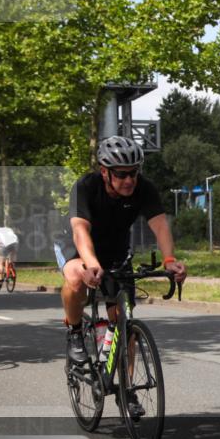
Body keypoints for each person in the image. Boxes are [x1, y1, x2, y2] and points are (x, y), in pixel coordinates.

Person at [58, 135, 187, 417]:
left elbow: (161, 226)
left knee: (123, 321)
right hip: (77, 244)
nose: (129, 180)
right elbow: (80, 230)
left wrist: (169, 261)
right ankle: (75, 331)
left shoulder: (144, 188)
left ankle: (125, 389)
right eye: (121, 174)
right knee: (77, 277)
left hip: (116, 250)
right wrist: (90, 263)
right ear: (105, 172)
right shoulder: (86, 186)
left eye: (134, 172)